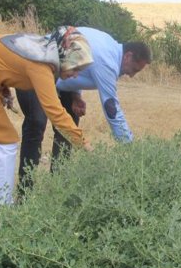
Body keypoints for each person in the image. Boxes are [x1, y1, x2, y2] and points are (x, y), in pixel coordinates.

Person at [0, 30, 93, 208]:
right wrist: (83, 144)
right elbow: (55, 112)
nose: (76, 75)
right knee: (6, 146)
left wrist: (3, 87)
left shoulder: (43, 53)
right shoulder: (41, 64)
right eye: (75, 68)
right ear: (65, 56)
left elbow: (1, 62)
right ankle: (3, 214)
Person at [15, 27, 151, 192]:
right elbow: (112, 110)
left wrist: (75, 95)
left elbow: (75, 66)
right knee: (36, 124)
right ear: (128, 56)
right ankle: (24, 193)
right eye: (135, 70)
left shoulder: (110, 46)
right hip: (33, 67)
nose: (132, 75)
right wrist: (131, 150)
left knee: (70, 123)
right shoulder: (108, 60)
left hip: (58, 76)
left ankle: (58, 189)